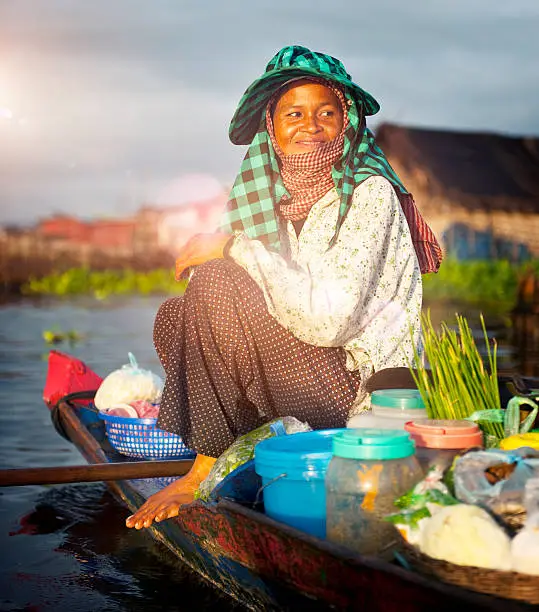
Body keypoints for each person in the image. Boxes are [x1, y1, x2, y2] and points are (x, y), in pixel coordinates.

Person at [126, 45, 442, 530]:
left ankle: (201, 472)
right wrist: (235, 256)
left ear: (347, 122)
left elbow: (330, 320)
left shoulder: (368, 192)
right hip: (306, 377)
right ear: (272, 128)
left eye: (326, 112)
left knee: (216, 275)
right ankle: (248, 441)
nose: (310, 125)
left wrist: (234, 249)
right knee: (178, 314)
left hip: (356, 393)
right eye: (294, 113)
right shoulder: (271, 202)